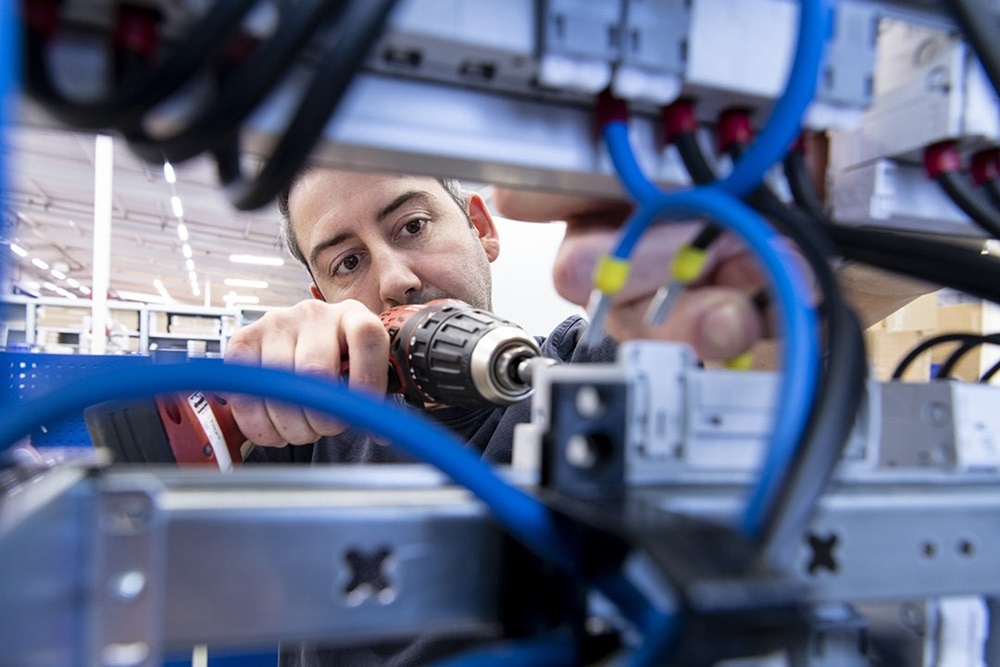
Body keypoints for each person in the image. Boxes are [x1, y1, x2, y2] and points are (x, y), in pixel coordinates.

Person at [223, 167, 929, 665]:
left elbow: (869, 274)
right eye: (348, 262)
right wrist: (251, 389)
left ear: (480, 228)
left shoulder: (591, 365)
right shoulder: (307, 425)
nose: (395, 278)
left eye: (411, 225)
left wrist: (756, 276)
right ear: (320, 293)